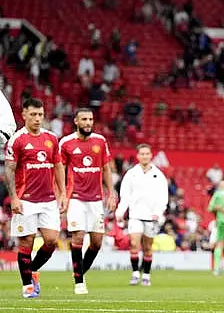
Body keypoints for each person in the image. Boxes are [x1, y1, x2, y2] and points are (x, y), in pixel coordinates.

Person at [5, 98, 67, 298]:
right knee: (27, 242)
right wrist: (13, 197)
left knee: (51, 240)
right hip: (26, 200)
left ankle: (31, 271)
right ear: (23, 115)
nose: (38, 118)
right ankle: (27, 287)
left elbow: (58, 166)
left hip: (48, 199)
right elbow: (9, 169)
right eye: (33, 114)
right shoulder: (17, 139)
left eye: (40, 114)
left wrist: (63, 193)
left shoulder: (51, 138)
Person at [59, 108, 117, 294]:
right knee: (77, 237)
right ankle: (79, 282)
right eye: (84, 119)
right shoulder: (66, 143)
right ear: (76, 121)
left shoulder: (100, 141)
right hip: (75, 197)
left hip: (96, 199)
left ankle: (80, 272)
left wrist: (112, 193)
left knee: (97, 242)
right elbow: (59, 170)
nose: (88, 122)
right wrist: (61, 194)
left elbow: (106, 168)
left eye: (90, 119)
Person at [115, 144, 168, 287]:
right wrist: (120, 211)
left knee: (148, 247)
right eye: (142, 154)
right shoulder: (131, 174)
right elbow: (125, 195)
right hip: (135, 215)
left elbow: (163, 196)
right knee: (134, 243)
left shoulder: (158, 175)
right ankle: (135, 273)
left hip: (151, 216)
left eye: (147, 153)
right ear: (137, 156)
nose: (144, 156)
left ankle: (146, 274)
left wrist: (158, 212)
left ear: (151, 155)